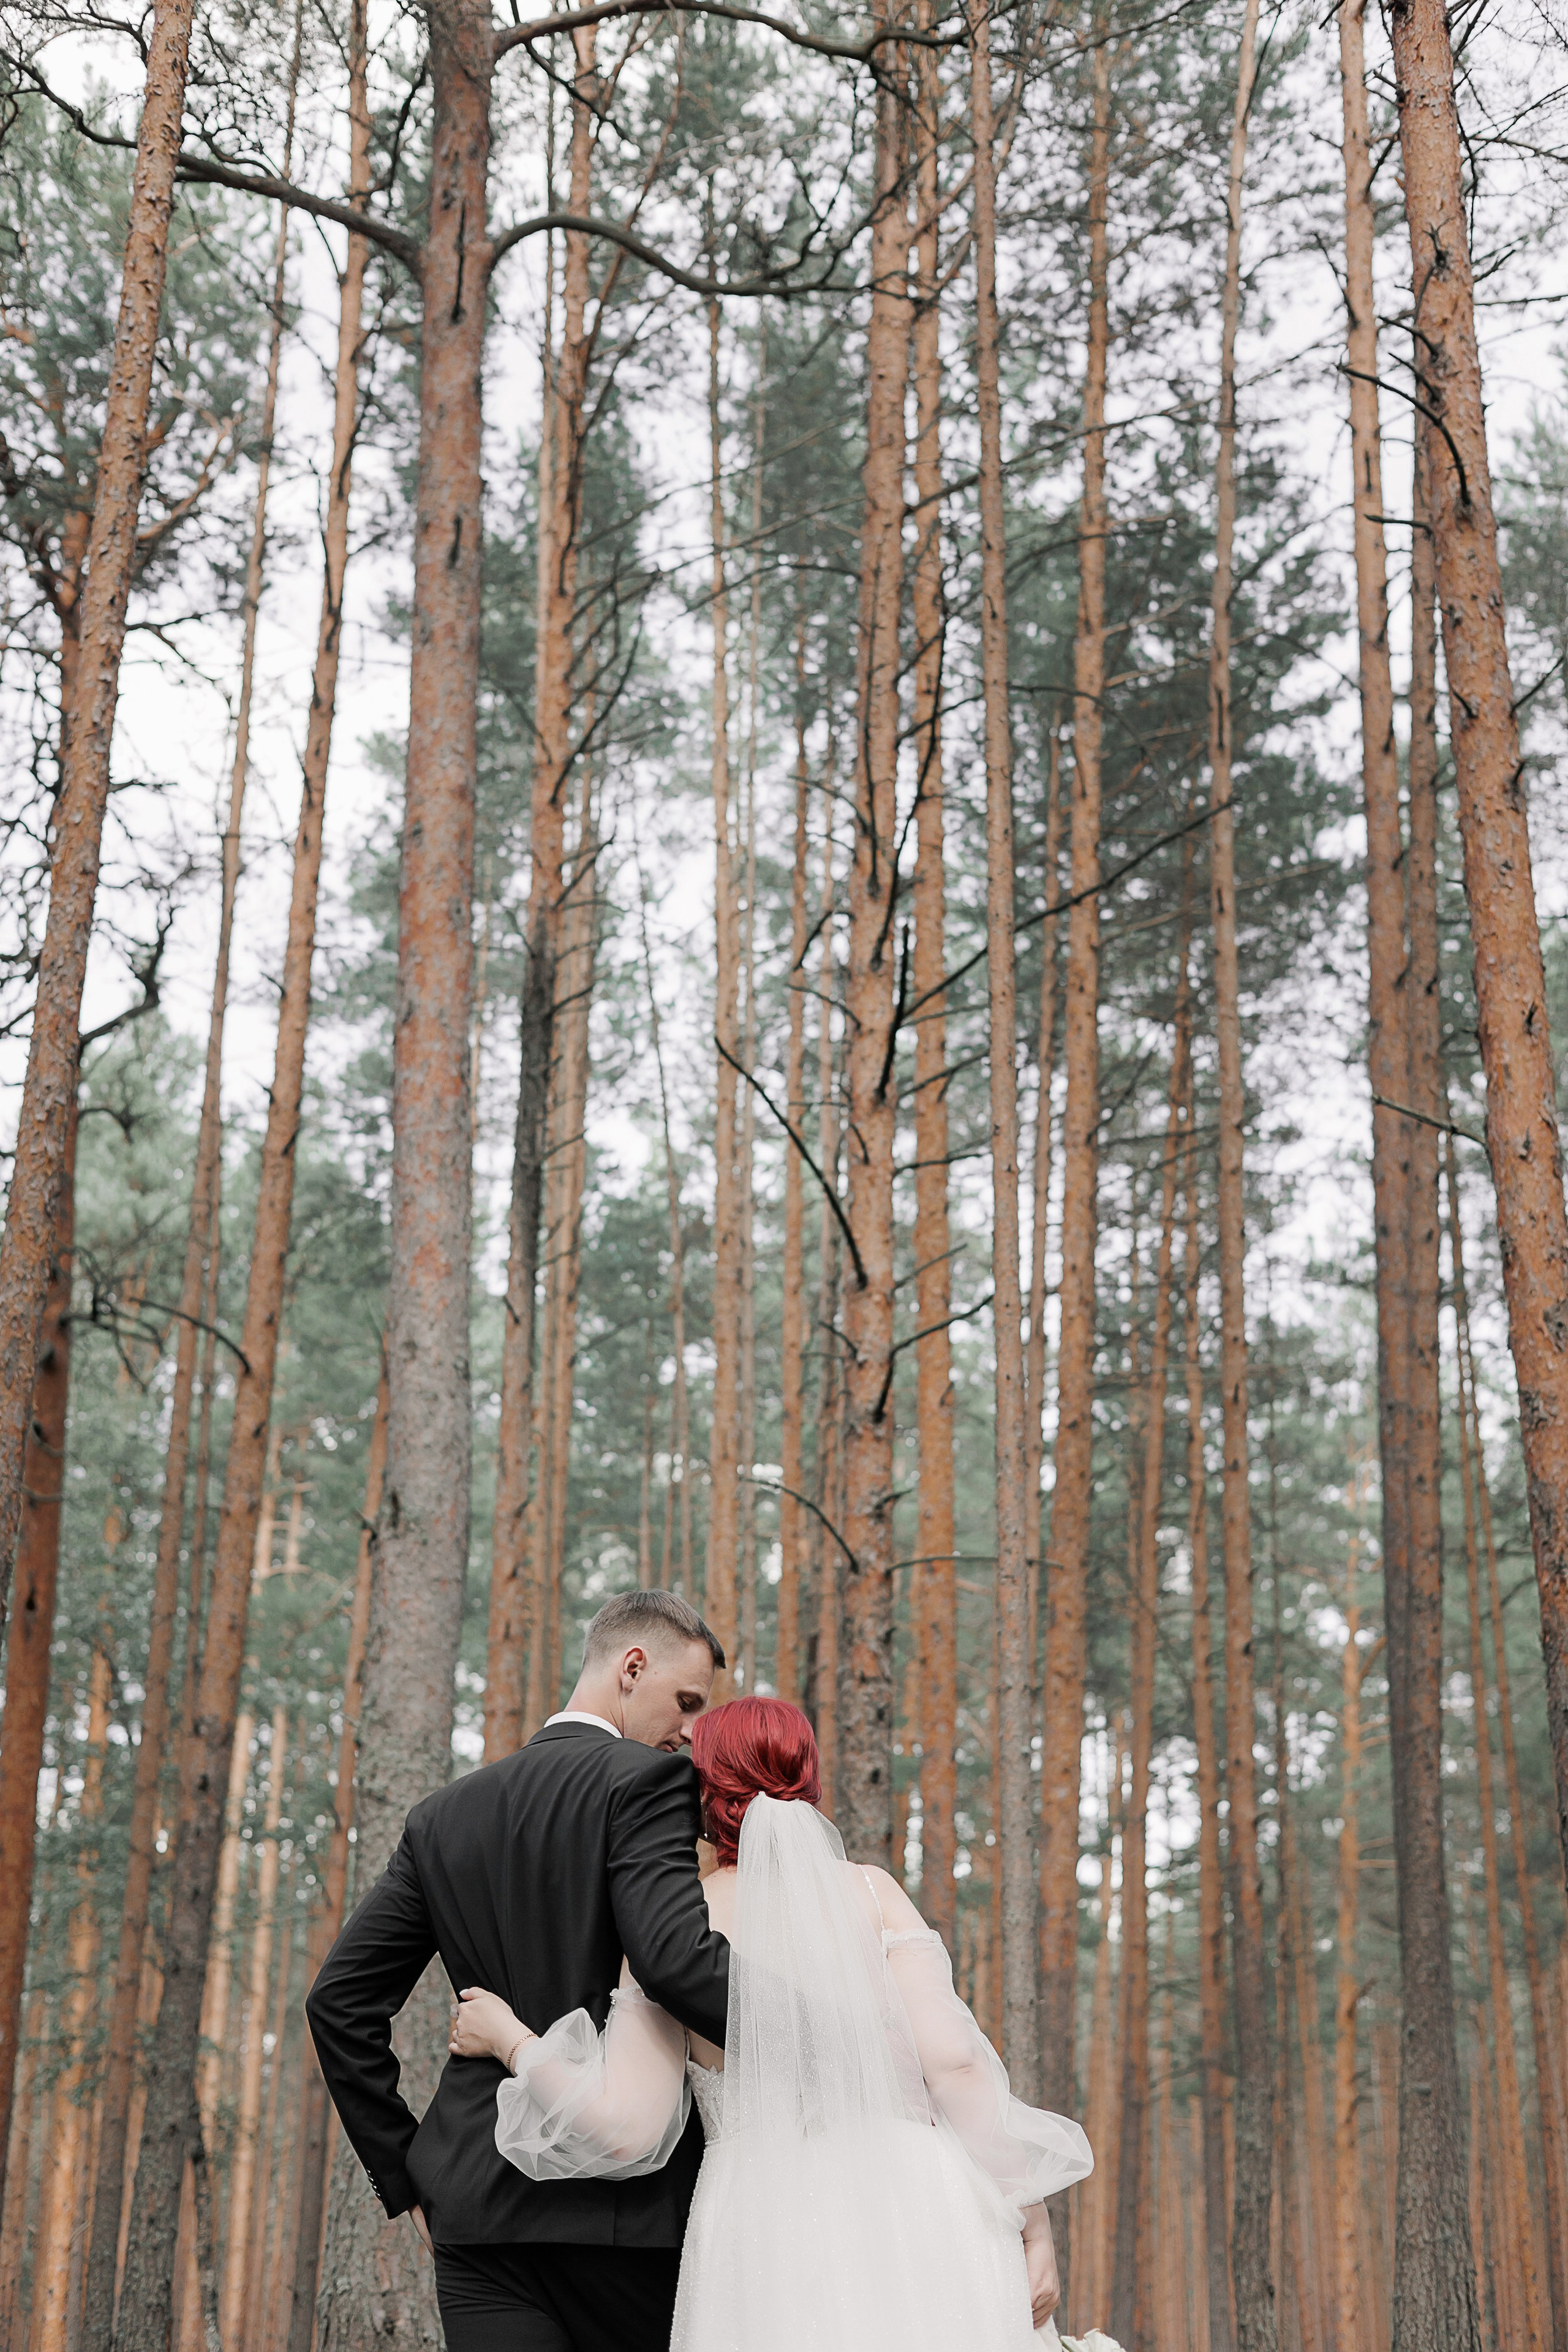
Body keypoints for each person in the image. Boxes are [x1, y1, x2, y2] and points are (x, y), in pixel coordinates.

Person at [450, 1695, 1093, 2352]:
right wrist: (1028, 2213)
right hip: (921, 2199)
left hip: (762, 2228)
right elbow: (955, 2065)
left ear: (702, 1790)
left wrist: (512, 2041)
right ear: (807, 1778)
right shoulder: (873, 1893)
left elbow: (625, 2130)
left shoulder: (673, 1929)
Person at [305, 1588, 731, 2352]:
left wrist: (407, 2178)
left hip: (476, 2206)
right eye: (688, 1702)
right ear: (631, 1668)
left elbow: (338, 2002)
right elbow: (675, 1961)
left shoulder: (443, 1816)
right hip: (624, 2215)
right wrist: (829, 2026)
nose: (694, 1735)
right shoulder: (647, 1783)